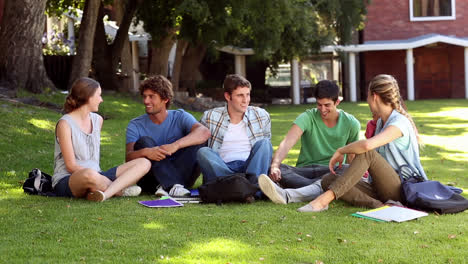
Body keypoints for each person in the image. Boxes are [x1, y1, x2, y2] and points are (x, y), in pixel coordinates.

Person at [292, 74, 427, 212]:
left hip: (403, 190)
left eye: (367, 96)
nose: (367, 100)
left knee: (367, 152)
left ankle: (322, 201)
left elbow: (367, 146)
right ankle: (380, 206)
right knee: (328, 180)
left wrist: (341, 150)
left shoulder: (399, 122)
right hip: (380, 187)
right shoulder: (381, 122)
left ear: (374, 96)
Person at [258, 80, 360, 204]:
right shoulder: (307, 117)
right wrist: (275, 166)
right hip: (303, 172)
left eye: (327, 105)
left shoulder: (351, 123)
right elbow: (287, 143)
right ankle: (317, 189)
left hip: (331, 172)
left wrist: (352, 176)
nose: (322, 109)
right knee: (271, 163)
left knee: (345, 170)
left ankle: (291, 190)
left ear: (337, 102)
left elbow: (352, 156)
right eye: (319, 105)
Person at [53, 77, 151, 202]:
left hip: (97, 174)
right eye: (99, 95)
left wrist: (99, 177)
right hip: (70, 178)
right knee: (89, 175)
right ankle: (119, 190)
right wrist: (97, 176)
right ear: (88, 97)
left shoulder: (97, 120)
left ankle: (102, 193)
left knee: (144, 163)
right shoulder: (65, 124)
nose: (101, 100)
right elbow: (71, 166)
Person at [126, 75, 210, 197]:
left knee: (198, 140)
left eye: (151, 97)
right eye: (144, 96)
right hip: (151, 180)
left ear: (165, 99)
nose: (146, 101)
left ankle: (167, 185)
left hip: (183, 175)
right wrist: (146, 152)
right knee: (144, 142)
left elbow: (204, 132)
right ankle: (171, 185)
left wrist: (175, 145)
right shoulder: (135, 124)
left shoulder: (180, 116)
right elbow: (128, 158)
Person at [197, 74, 273, 191]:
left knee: (265, 144)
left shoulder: (261, 115)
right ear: (228, 96)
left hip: (250, 168)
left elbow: (265, 154)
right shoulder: (210, 116)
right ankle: (244, 187)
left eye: (247, 95)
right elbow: (199, 146)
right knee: (203, 152)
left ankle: (246, 186)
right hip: (222, 166)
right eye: (240, 95)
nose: (245, 100)